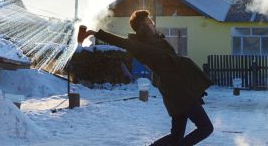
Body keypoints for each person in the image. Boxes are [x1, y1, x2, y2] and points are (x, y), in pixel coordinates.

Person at [81, 10, 213, 146]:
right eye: (149, 22)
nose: (153, 24)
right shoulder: (141, 47)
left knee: (176, 137)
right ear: (143, 27)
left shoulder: (158, 41)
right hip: (179, 93)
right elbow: (121, 42)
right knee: (205, 128)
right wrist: (96, 33)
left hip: (180, 90)